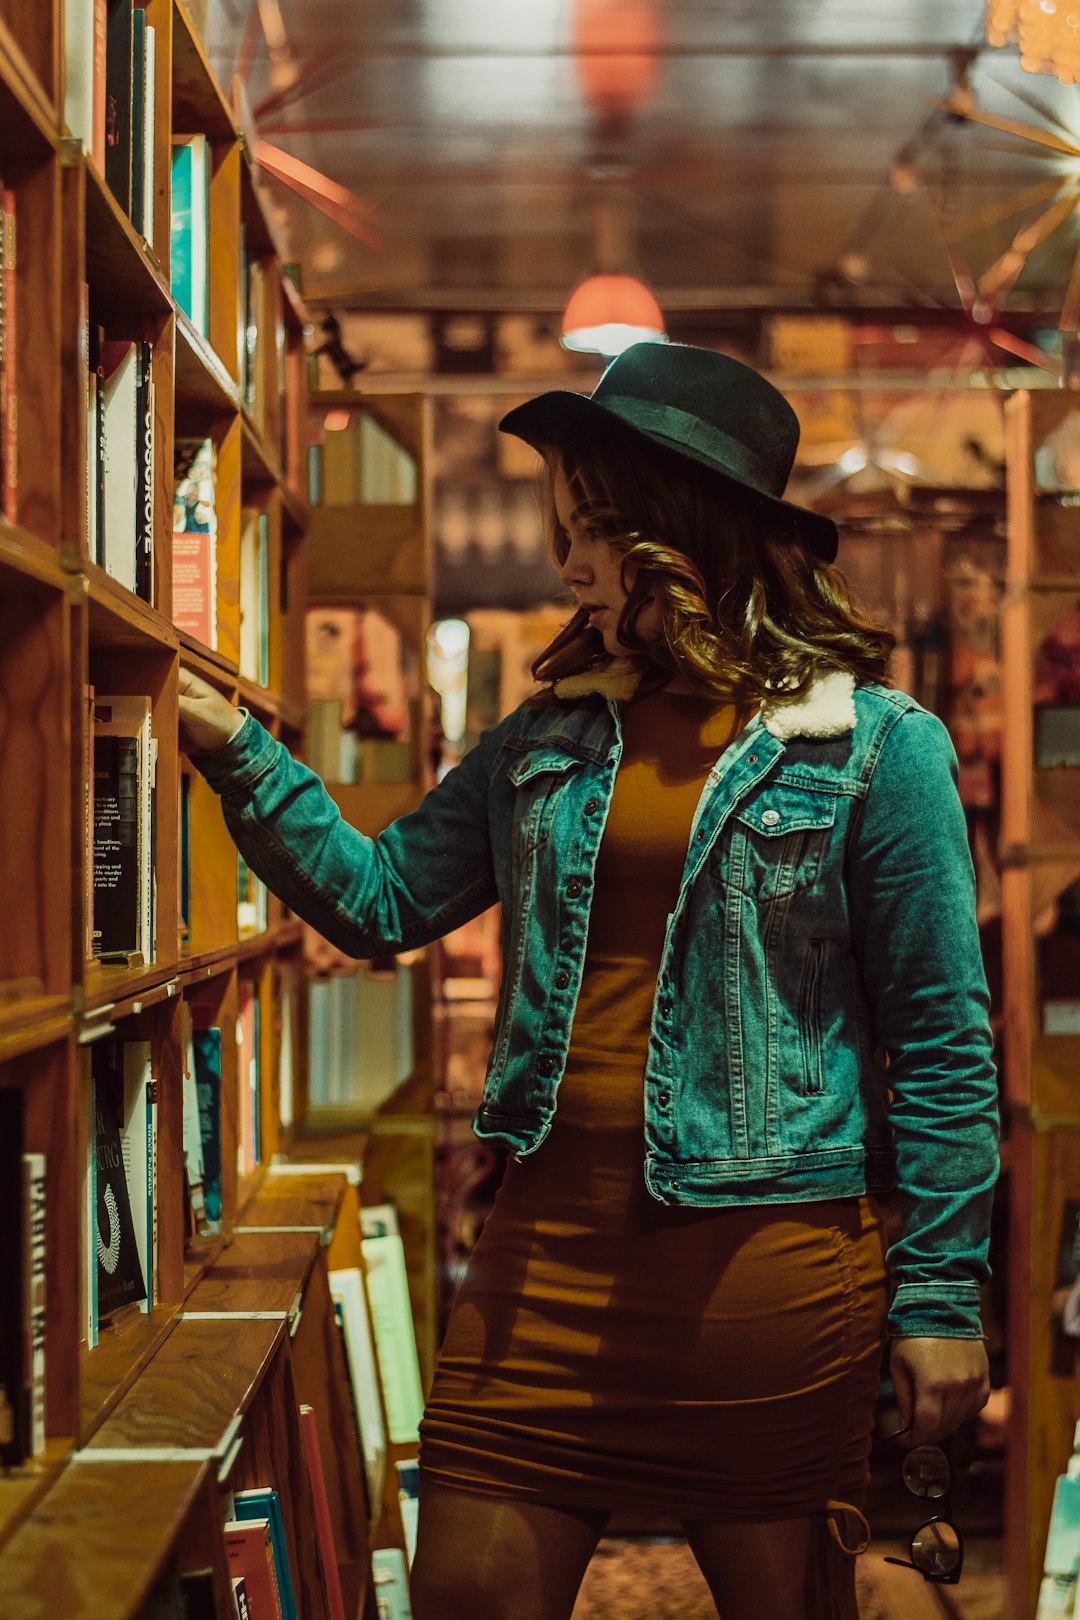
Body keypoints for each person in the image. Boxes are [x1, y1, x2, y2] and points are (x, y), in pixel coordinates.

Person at [180, 342, 999, 1620]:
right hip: (542, 1269)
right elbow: (381, 898)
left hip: (765, 1276)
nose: (569, 564)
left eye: (598, 529)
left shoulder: (875, 749)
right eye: (569, 527)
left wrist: (943, 1293)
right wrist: (235, 750)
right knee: (463, 1596)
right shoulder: (548, 735)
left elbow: (944, 1042)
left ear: (690, 533)